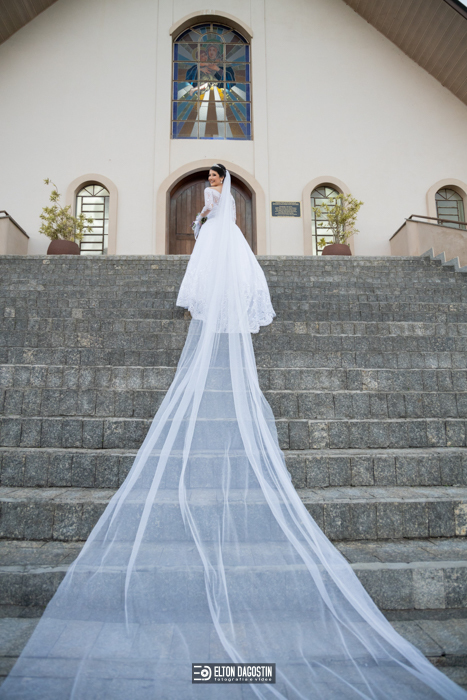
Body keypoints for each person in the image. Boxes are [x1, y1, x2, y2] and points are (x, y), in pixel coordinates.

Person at [1, 166, 466, 699]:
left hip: (218, 238)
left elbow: (214, 215)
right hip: (217, 238)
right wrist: (203, 216)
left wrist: (204, 214)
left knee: (220, 269)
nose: (213, 179)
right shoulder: (215, 195)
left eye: (215, 175)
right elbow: (212, 217)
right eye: (212, 176)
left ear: (220, 179)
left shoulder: (219, 196)